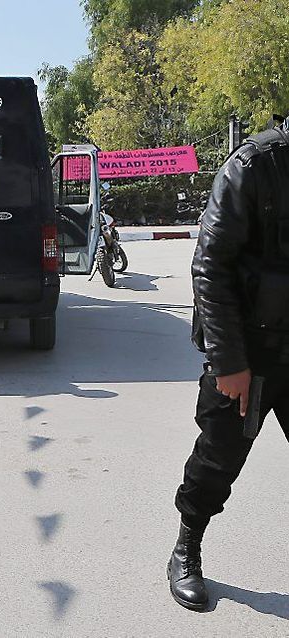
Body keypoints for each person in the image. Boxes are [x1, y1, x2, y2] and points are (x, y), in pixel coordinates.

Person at [167, 121, 289, 611]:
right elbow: (210, 266)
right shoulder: (255, 164)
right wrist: (229, 361)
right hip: (250, 354)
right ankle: (185, 551)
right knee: (218, 462)